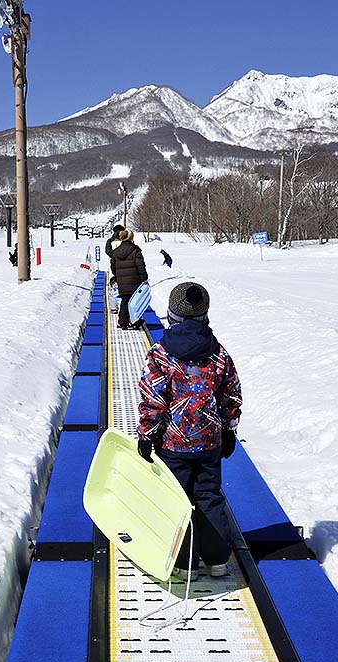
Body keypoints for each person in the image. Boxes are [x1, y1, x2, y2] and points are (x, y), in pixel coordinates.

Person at [136, 282, 242, 580]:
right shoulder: (218, 353)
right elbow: (230, 393)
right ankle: (217, 561)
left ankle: (184, 563)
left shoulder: (160, 353)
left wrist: (146, 434)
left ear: (171, 315)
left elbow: (153, 398)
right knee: (209, 496)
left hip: (172, 444)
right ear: (205, 315)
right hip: (209, 442)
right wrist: (228, 428)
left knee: (177, 498)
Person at [109, 230, 148, 329]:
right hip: (134, 280)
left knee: (125, 301)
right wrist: (144, 278)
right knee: (135, 301)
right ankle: (134, 321)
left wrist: (118, 276)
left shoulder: (116, 252)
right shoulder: (135, 250)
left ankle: (123, 322)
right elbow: (140, 266)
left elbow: (113, 267)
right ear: (131, 238)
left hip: (122, 281)